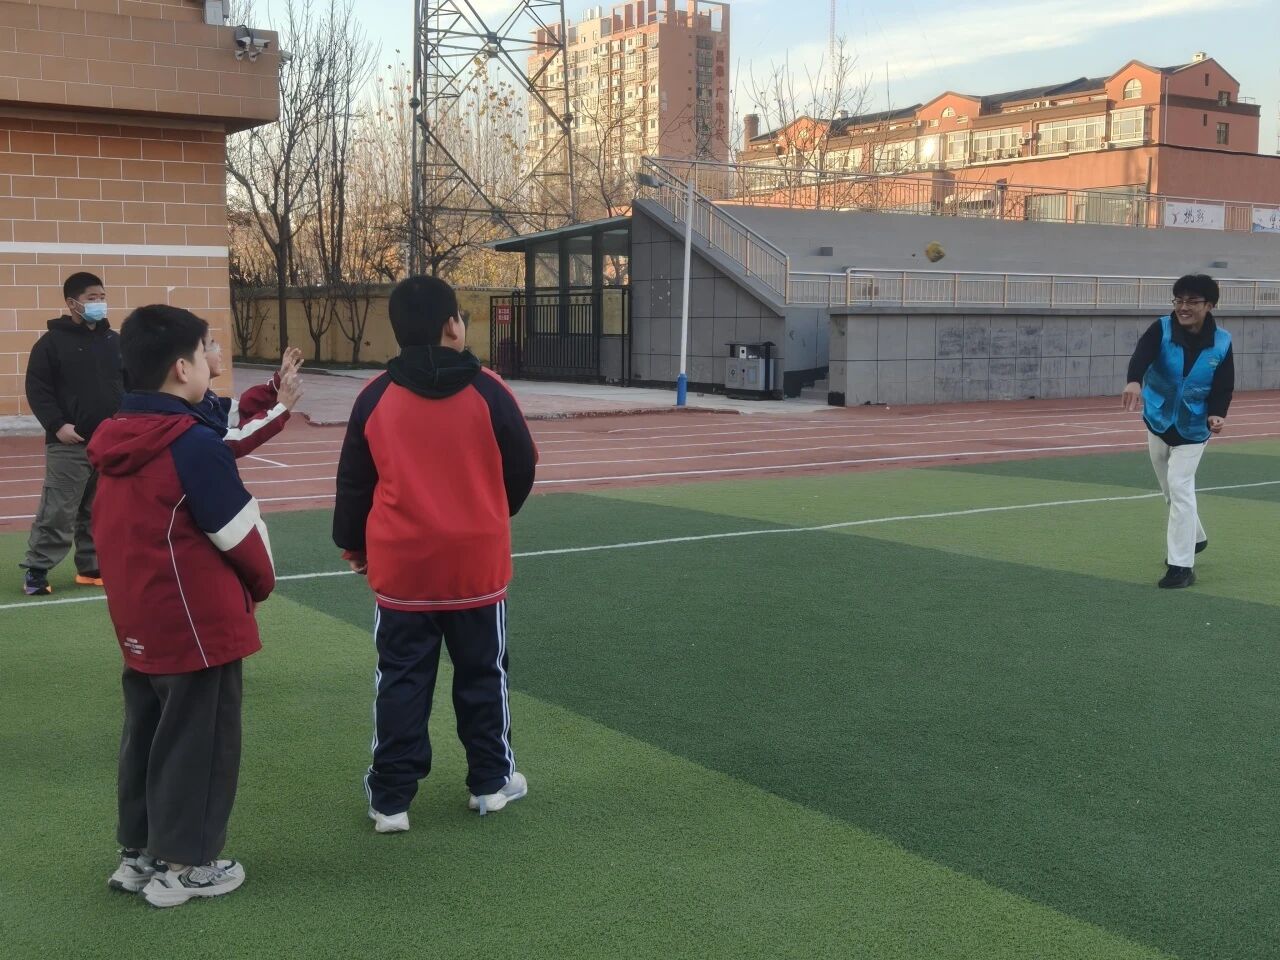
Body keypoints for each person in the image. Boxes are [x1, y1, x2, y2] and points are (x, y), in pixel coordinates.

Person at [86, 305, 276, 907]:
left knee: (146, 734)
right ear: (181, 368)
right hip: (198, 625)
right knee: (202, 742)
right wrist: (262, 584)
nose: (211, 360)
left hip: (139, 617)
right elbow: (239, 535)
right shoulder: (191, 445)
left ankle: (139, 854)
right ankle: (188, 867)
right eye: (205, 349)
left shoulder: (116, 436)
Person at [333, 275, 538, 832]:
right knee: (484, 674)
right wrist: (491, 514)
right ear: (453, 325)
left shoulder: (374, 396)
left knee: (401, 679)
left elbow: (354, 481)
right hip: (476, 566)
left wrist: (353, 544)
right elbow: (522, 464)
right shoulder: (490, 390)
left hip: (404, 569)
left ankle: (390, 800)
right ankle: (491, 783)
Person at [1122, 274, 1234, 589]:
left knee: (1180, 486)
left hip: (1194, 427)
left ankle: (1181, 566)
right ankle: (1195, 536)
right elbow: (1141, 355)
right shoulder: (1161, 328)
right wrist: (1134, 381)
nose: (1183, 307)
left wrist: (1217, 414)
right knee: (1169, 490)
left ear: (1209, 305)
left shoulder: (1222, 341)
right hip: (1158, 421)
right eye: (1179, 300)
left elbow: (1224, 384)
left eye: (1192, 301)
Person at [20, 272, 123, 596]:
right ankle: (37, 570)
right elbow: (38, 389)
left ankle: (91, 567)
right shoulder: (50, 344)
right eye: (92, 298)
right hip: (69, 444)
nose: (99, 303)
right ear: (72, 303)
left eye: (102, 297)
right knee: (58, 510)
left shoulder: (114, 341)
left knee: (98, 509)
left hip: (108, 444)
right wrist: (57, 425)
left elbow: (130, 384)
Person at [196, 340, 305, 458]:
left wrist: (278, 382)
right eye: (212, 343)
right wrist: (280, 410)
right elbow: (229, 441)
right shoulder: (192, 409)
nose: (219, 349)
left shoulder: (205, 398)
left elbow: (240, 410)